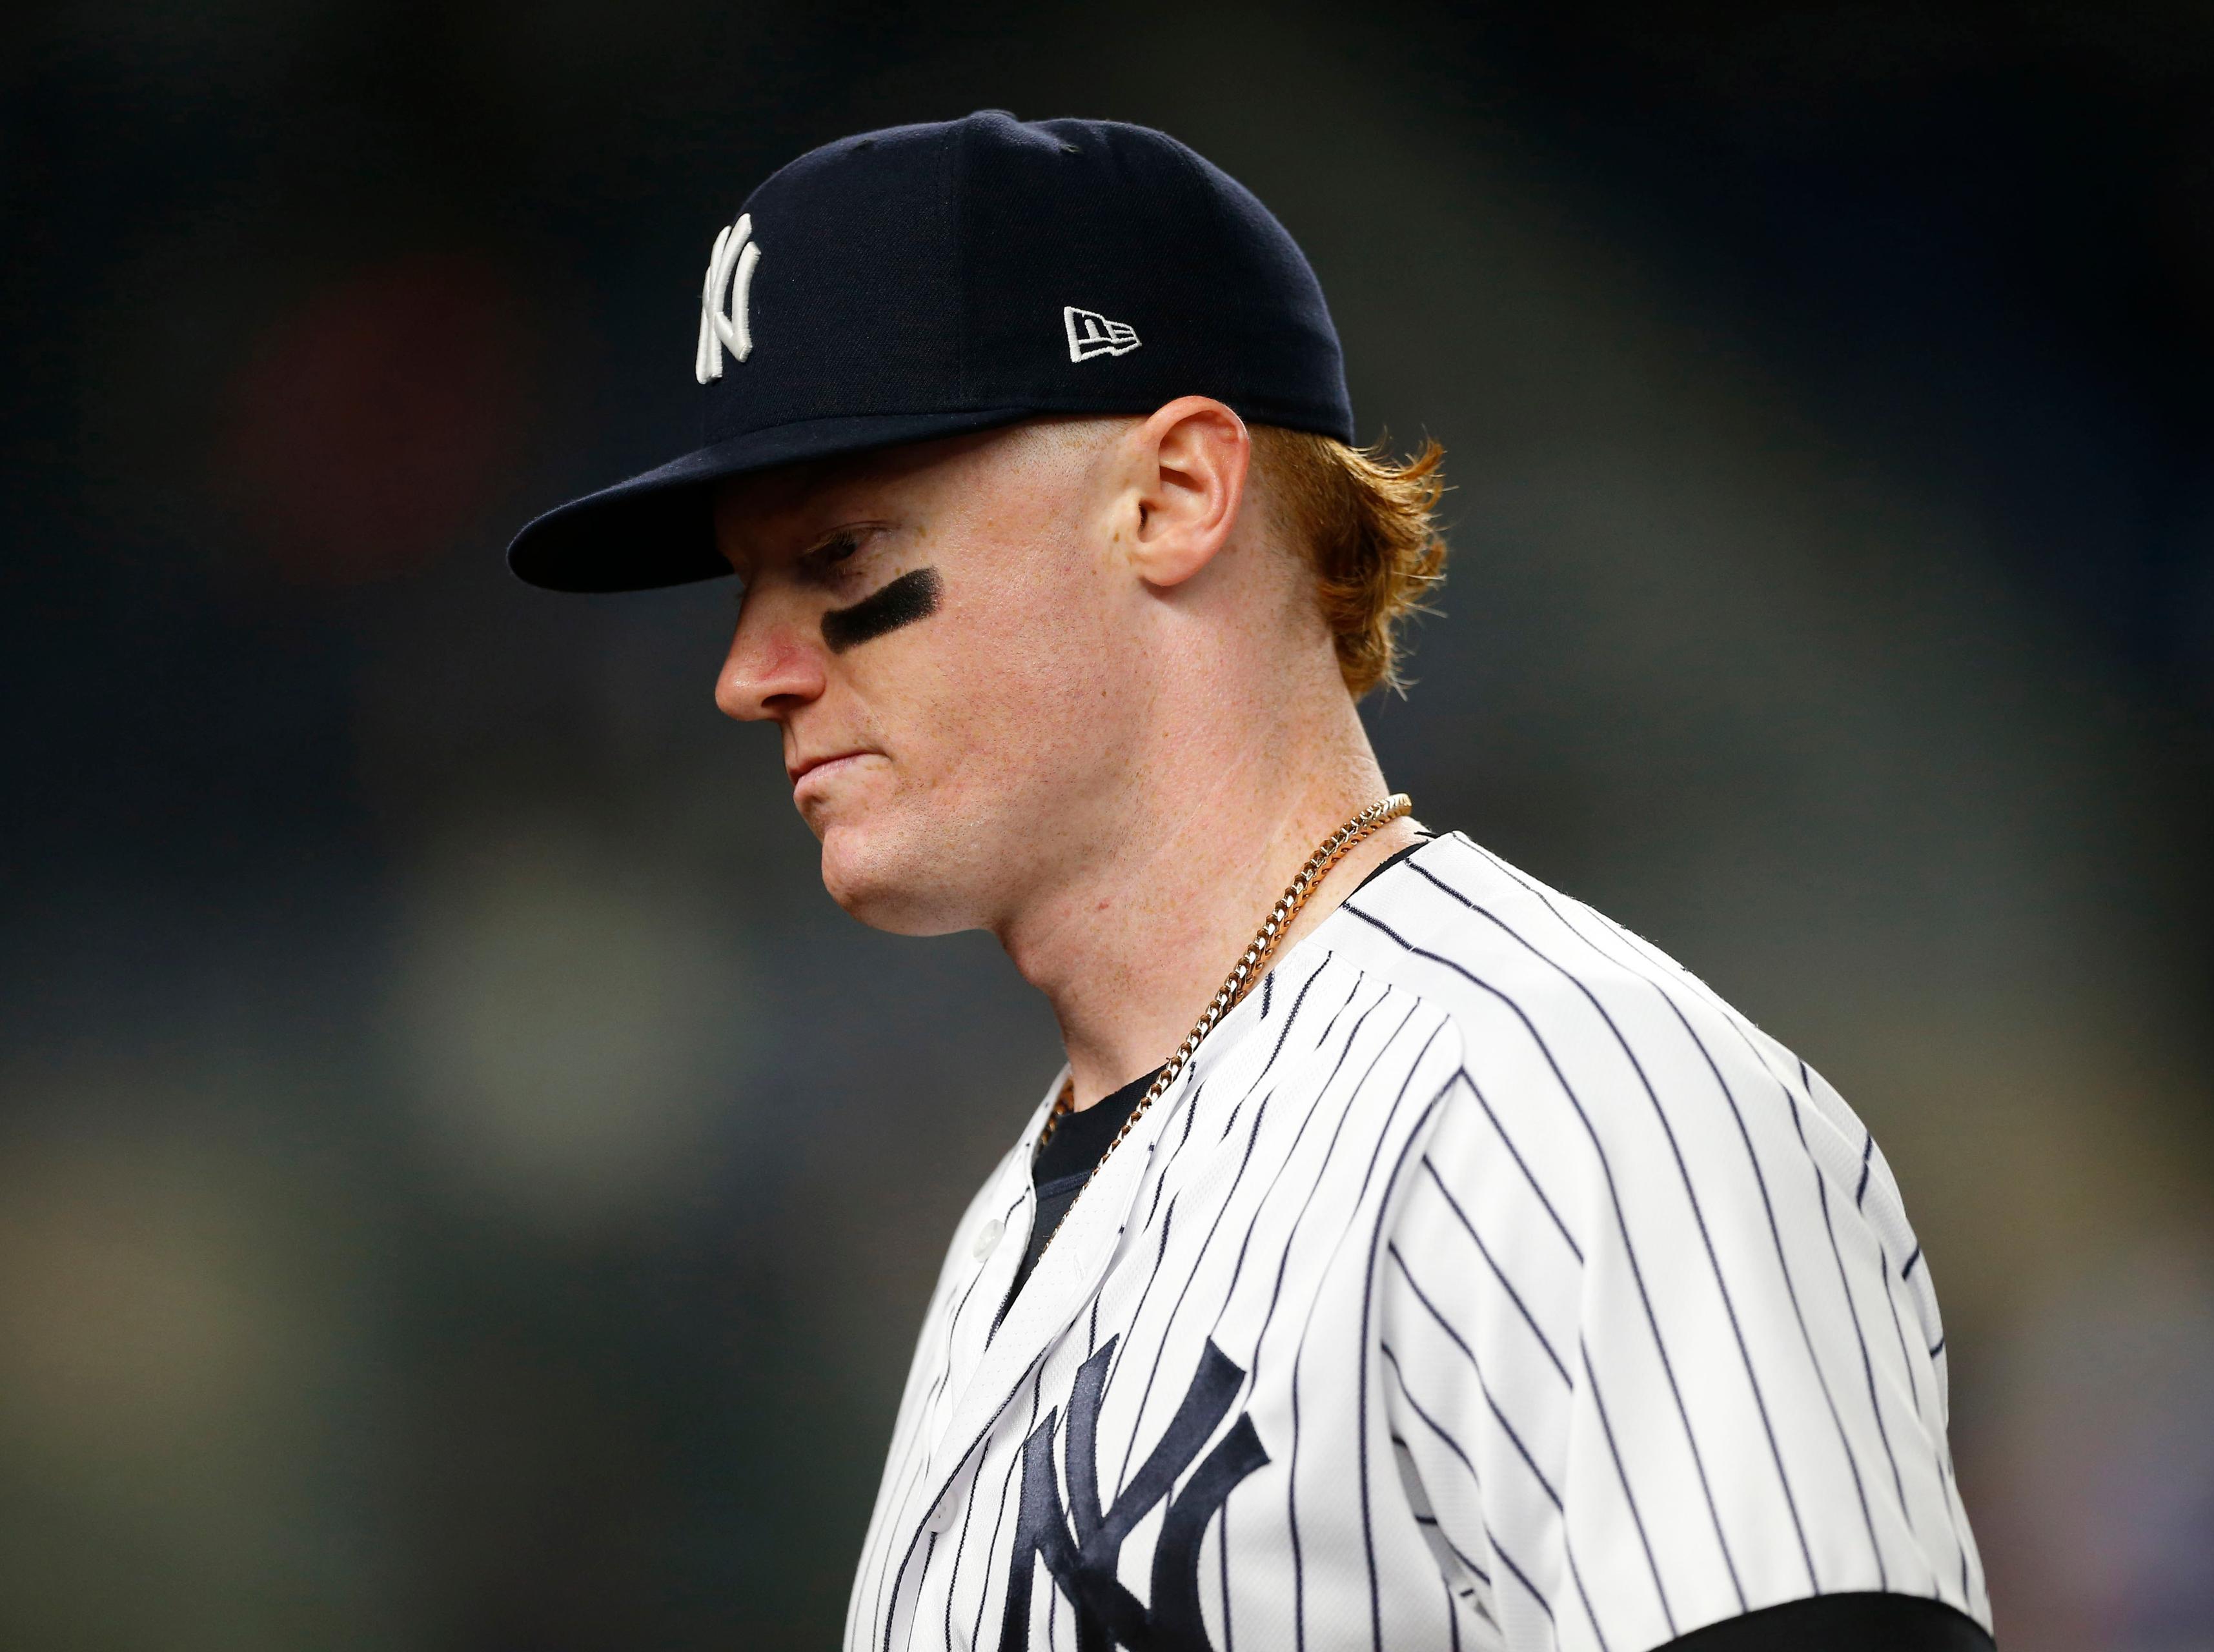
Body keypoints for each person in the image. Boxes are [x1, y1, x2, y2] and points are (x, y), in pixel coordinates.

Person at [507, 112, 1992, 1652]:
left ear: (1171, 497)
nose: (750, 673)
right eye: (749, 587)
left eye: (837, 556)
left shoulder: (1564, 1095)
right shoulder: (1010, 1232)